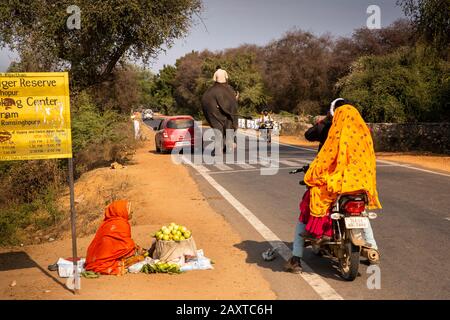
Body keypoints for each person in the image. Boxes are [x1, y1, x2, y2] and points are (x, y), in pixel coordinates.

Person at [285, 100, 382, 273]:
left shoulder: (335, 130)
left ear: (334, 113)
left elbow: (326, 158)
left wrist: (313, 174)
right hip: (360, 181)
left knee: (308, 205)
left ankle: (296, 257)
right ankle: (373, 247)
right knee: (361, 212)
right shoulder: (363, 131)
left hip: (336, 181)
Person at [85, 200, 143, 275]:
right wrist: (134, 247)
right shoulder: (122, 224)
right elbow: (125, 246)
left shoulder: (106, 223)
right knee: (137, 254)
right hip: (106, 258)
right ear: (121, 211)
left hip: (94, 257)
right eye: (129, 210)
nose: (132, 212)